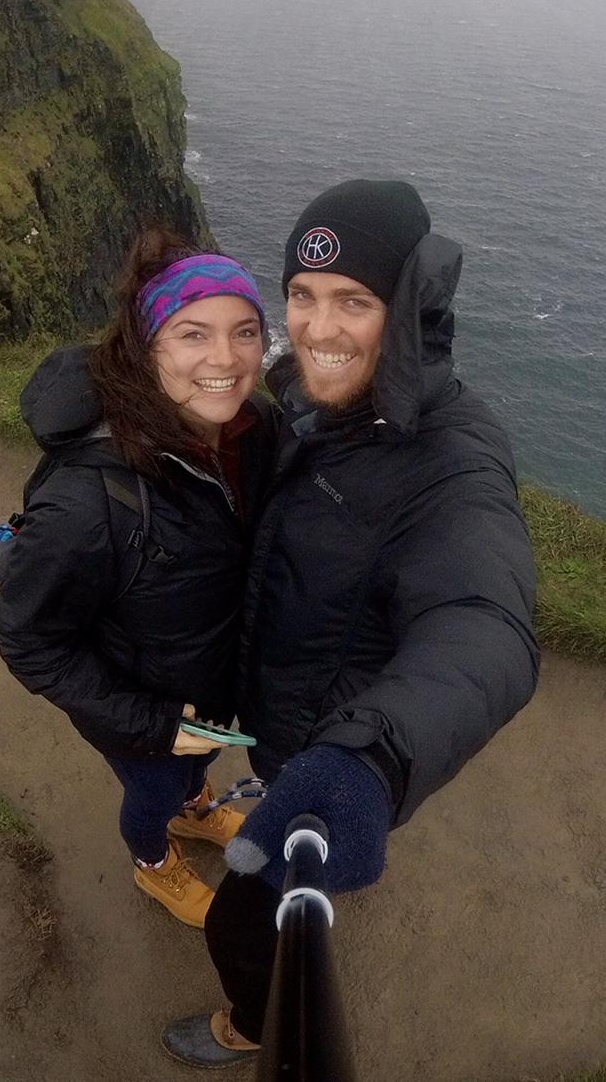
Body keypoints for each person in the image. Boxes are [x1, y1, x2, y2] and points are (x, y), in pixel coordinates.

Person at [162, 179, 540, 1068]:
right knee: (288, 791)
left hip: (346, 740)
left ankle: (251, 1022)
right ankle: (314, 804)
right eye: (301, 296)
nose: (318, 329)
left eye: (353, 303)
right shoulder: (306, 396)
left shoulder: (453, 462)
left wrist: (369, 757)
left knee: (240, 922)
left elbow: (484, 623)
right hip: (288, 718)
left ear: (407, 308)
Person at [0, 229, 278, 928]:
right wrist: (153, 724)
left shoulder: (255, 430)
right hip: (136, 710)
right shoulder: (87, 504)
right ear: (147, 347)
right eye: (192, 334)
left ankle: (194, 808)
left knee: (192, 766)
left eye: (245, 332)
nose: (225, 358)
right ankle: (154, 861)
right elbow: (31, 643)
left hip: (206, 684)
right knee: (153, 788)